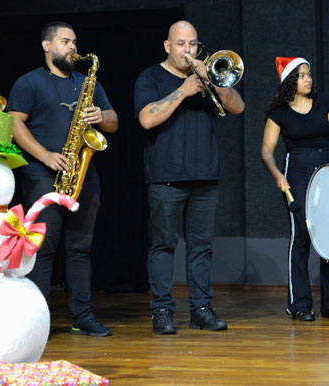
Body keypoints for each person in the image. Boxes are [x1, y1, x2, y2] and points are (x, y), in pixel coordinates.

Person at [134, 20, 245, 335]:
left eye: (193, 44)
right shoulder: (151, 77)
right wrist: (183, 92)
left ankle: (201, 309)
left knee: (201, 248)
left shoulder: (206, 76)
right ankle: (162, 312)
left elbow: (238, 107)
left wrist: (212, 79)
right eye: (181, 44)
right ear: (168, 46)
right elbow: (145, 119)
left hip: (205, 176)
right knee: (163, 246)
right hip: (166, 177)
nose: (187, 51)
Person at [7, 21, 118, 337]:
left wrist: (101, 116)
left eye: (74, 42)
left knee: (80, 248)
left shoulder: (87, 81)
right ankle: (37, 320)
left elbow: (114, 122)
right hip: (42, 173)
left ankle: (82, 315)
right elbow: (14, 124)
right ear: (46, 46)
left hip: (83, 173)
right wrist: (45, 156)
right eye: (65, 41)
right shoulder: (29, 83)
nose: (72, 47)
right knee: (44, 247)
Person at [260, 57, 329, 321]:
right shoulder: (279, 112)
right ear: (290, 81)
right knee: (301, 235)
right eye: (301, 75)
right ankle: (299, 304)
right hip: (297, 171)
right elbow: (266, 151)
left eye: (309, 74)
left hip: (328, 168)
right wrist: (277, 175)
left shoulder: (324, 101)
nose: (308, 79)